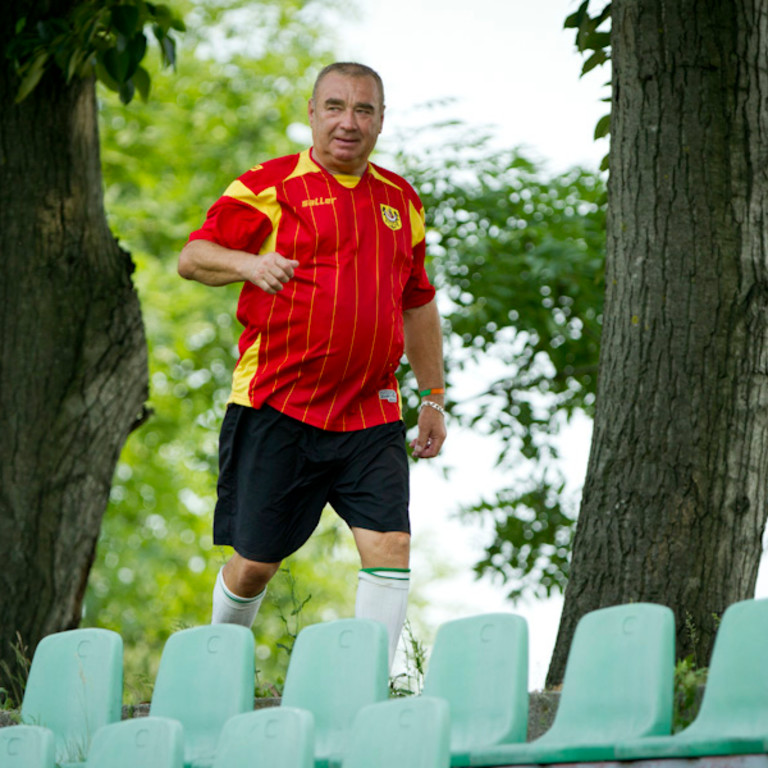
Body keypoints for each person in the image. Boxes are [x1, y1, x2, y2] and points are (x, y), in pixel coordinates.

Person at [177, 62, 446, 669]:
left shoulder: (401, 200)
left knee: (392, 543)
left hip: (370, 409)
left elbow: (418, 300)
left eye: (363, 110)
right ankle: (219, 668)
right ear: (312, 113)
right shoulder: (269, 185)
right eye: (335, 107)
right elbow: (192, 257)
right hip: (280, 403)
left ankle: (367, 686)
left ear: (380, 119)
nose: (348, 122)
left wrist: (433, 395)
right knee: (255, 563)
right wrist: (249, 265)